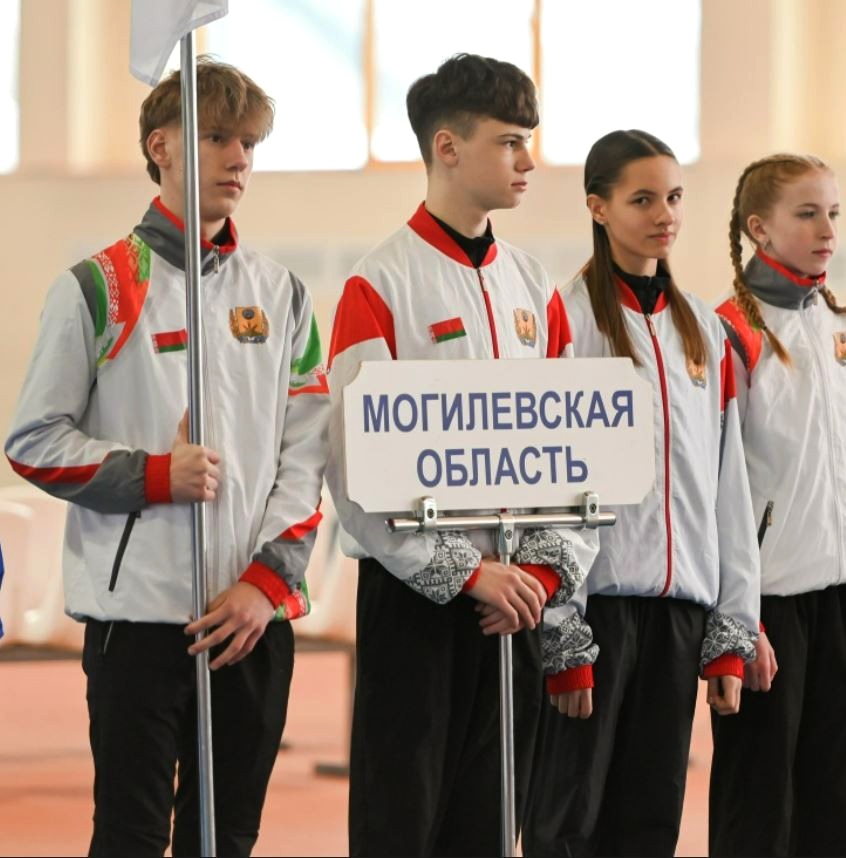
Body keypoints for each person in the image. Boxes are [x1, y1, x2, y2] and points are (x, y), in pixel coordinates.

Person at [4, 59, 330, 856]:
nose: (239, 158)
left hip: (253, 618)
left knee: (227, 840)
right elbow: (34, 441)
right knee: (131, 837)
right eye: (217, 137)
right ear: (161, 146)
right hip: (139, 622)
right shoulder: (98, 287)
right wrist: (155, 475)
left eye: (248, 142)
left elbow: (308, 450)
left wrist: (267, 582)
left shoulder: (282, 294)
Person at [324, 53, 597, 856]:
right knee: (401, 825)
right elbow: (357, 474)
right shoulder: (380, 285)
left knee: (490, 825)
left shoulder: (536, 290)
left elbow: (577, 457)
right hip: (420, 603)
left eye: (528, 141)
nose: (528, 161)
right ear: (447, 147)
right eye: (510, 142)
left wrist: (539, 572)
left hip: (518, 604)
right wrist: (468, 573)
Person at [522, 129, 764, 857]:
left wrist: (732, 629)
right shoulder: (566, 319)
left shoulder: (706, 332)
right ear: (597, 207)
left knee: (651, 823)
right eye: (643, 200)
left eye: (675, 197)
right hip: (596, 610)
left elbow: (726, 487)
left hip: (679, 616)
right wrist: (562, 632)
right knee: (569, 823)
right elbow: (545, 484)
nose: (665, 215)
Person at [710, 153, 846, 857]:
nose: (827, 229)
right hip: (769, 604)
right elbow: (714, 487)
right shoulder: (728, 331)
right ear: (759, 228)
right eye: (807, 213)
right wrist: (736, 618)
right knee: (758, 809)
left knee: (832, 812)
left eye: (833, 213)